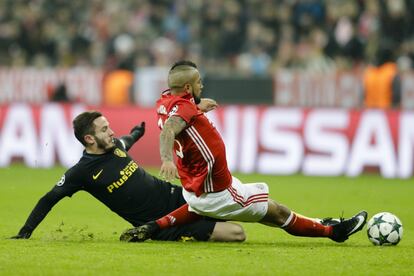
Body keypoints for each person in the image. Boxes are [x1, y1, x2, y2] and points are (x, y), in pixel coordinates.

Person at [121, 60, 368, 243]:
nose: (202, 85)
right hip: (218, 192)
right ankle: (334, 232)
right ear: (187, 87)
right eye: (198, 83)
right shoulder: (184, 110)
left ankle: (153, 227)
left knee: (202, 208)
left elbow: (177, 116)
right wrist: (166, 159)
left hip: (195, 189)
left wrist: (196, 107)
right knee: (278, 212)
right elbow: (169, 131)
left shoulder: (166, 102)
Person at [10, 110, 246, 242]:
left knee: (237, 205)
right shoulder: (81, 172)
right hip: (160, 225)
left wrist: (137, 132)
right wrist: (25, 232)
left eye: (109, 126)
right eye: (104, 130)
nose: (111, 132)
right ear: (89, 139)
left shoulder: (115, 146)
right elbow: (49, 198)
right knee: (237, 233)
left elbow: (127, 140)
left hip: (179, 197)